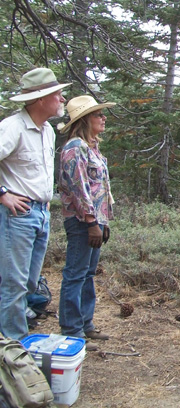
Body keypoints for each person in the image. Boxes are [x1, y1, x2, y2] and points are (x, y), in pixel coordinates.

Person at [0, 67, 70, 340]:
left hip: (39, 214)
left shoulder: (47, 131)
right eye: (58, 94)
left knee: (30, 283)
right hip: (17, 215)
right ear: (41, 99)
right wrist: (3, 193)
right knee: (14, 285)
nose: (62, 99)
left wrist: (46, 203)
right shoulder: (12, 127)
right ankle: (15, 352)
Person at [58, 95, 116, 349]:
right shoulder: (75, 148)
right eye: (97, 114)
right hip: (82, 221)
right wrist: (92, 221)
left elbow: (100, 188)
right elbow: (78, 188)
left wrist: (103, 220)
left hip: (94, 221)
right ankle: (72, 331)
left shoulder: (92, 148)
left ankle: (85, 324)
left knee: (88, 273)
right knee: (76, 273)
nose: (103, 118)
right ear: (84, 119)